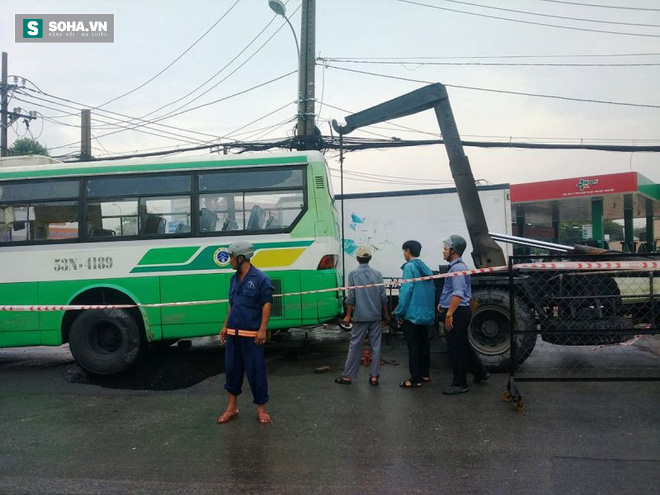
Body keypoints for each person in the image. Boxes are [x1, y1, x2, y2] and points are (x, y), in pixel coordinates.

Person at [217, 241, 274, 425]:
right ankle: (232, 408)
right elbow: (232, 305)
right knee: (232, 372)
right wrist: (225, 326)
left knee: (256, 372)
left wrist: (262, 329)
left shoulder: (260, 279)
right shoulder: (233, 280)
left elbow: (266, 304)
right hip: (233, 335)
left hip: (251, 336)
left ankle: (261, 409)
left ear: (241, 257)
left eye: (232, 257)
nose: (230, 260)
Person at [438, 235, 489, 395]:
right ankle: (480, 372)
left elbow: (458, 294)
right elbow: (452, 290)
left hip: (457, 312)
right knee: (463, 345)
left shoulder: (457, 268)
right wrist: (443, 302)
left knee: (456, 349)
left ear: (453, 251)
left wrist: (449, 314)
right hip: (457, 310)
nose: (443, 252)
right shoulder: (455, 267)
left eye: (445, 249)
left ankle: (460, 383)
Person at [335, 246, 390, 386]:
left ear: (357, 259)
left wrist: (348, 316)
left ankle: (347, 376)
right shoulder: (377, 274)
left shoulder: (353, 274)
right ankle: (374, 377)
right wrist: (386, 314)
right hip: (375, 315)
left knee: (355, 345)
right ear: (370, 258)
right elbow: (383, 296)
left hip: (360, 316)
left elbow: (351, 298)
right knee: (376, 346)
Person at [393, 240, 436, 389]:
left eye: (404, 251)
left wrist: (398, 312)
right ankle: (425, 374)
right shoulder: (425, 268)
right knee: (424, 345)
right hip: (425, 314)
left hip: (412, 315)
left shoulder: (409, 267)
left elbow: (406, 291)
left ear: (408, 251)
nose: (404, 254)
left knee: (413, 347)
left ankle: (415, 379)